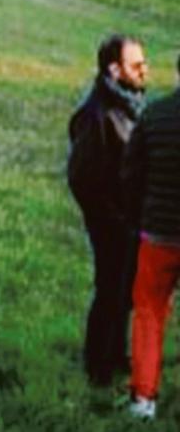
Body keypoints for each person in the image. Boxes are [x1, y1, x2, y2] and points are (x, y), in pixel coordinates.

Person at [67, 34, 148, 387]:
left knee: (124, 290)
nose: (145, 70)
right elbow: (82, 180)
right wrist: (113, 222)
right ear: (114, 70)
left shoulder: (128, 104)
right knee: (109, 289)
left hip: (129, 220)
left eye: (144, 63)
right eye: (136, 65)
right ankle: (97, 368)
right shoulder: (96, 114)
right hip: (111, 222)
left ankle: (115, 356)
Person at [121, 52, 179, 419]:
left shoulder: (154, 114)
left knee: (149, 313)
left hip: (158, 234)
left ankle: (143, 399)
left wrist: (138, 214)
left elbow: (130, 175)